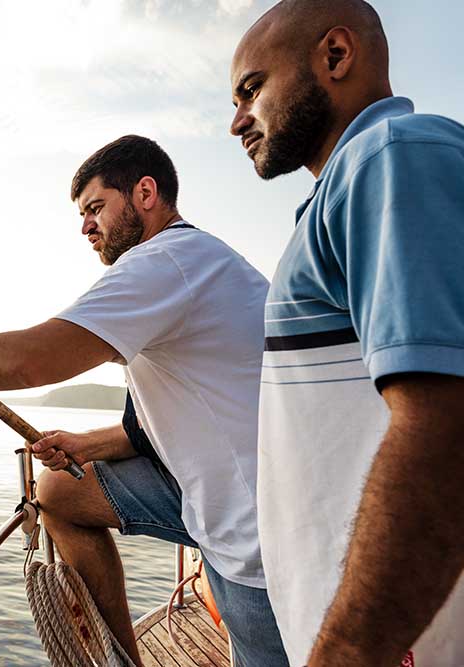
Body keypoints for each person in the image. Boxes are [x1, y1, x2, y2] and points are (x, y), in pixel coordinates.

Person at [0, 135, 287, 666]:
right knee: (60, 489)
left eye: (96, 208)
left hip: (260, 535)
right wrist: (87, 443)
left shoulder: (165, 262)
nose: (86, 226)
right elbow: (176, 421)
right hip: (232, 496)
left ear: (146, 193)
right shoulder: (195, 264)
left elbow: (29, 361)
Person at [229, 1, 464, 665]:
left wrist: (349, 649)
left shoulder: (391, 159)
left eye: (251, 90)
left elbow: (445, 429)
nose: (236, 121)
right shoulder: (354, 185)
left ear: (334, 56)